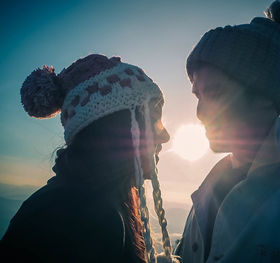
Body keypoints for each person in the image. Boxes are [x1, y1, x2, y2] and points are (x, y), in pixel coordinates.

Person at [175, 0, 280, 262]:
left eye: (214, 93)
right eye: (197, 95)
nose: (199, 112)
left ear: (265, 97)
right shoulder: (204, 194)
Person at [0, 54, 175, 263]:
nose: (165, 136)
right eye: (152, 119)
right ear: (116, 129)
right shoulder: (83, 218)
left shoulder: (83, 203)